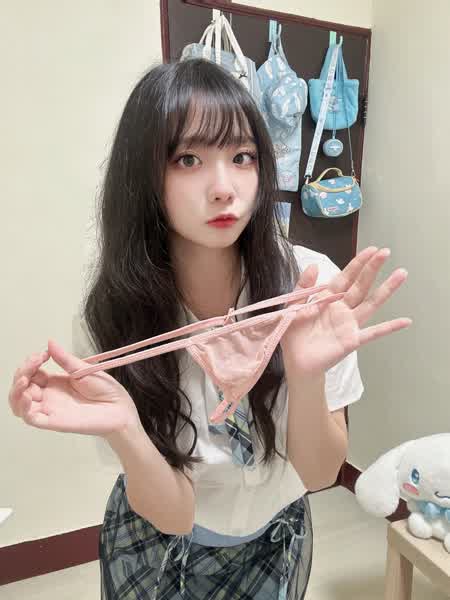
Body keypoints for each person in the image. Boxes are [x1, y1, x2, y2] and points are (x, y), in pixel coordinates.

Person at [8, 58, 411, 599]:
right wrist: (127, 429)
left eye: (242, 157)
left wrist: (306, 375)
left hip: (278, 536)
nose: (224, 188)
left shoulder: (309, 288)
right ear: (143, 176)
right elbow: (174, 514)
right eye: (188, 159)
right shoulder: (113, 316)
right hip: (154, 538)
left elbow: (318, 475)